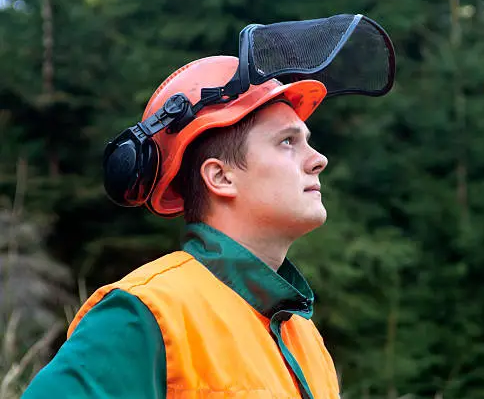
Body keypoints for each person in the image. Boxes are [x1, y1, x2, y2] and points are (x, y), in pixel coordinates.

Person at [22, 55, 340, 398]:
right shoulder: (147, 314)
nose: (318, 159)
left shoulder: (306, 338)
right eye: (288, 142)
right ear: (220, 176)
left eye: (307, 141)